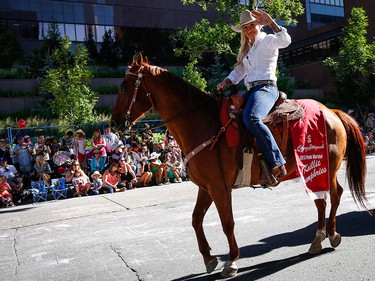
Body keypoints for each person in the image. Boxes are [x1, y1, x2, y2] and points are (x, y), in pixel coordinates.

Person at [217, 9, 291, 182]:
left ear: (259, 25)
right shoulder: (247, 50)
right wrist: (226, 82)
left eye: (252, 26)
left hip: (267, 88)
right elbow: (239, 71)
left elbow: (286, 41)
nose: (249, 30)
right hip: (251, 91)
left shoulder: (268, 41)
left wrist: (271, 22)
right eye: (245, 28)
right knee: (229, 116)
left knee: (252, 117)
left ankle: (277, 161)